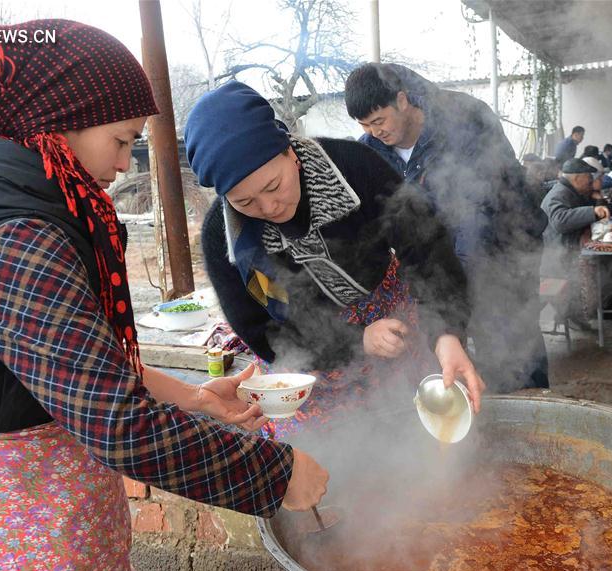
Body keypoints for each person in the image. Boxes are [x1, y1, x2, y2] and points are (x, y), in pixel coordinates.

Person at [0, 21, 328, 571]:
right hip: (8, 500)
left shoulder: (1, 197)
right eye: (121, 140)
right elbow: (119, 425)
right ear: (55, 120)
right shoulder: (16, 240)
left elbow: (71, 362)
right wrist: (275, 473)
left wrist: (192, 397)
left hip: (34, 477)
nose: (122, 164)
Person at [186, 80, 485, 439]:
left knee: (409, 424)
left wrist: (447, 333)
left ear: (291, 154)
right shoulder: (223, 237)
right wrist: (355, 341)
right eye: (245, 202)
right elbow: (261, 332)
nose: (269, 207)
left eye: (272, 186)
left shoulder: (354, 168)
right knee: (323, 449)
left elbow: (426, 247)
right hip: (308, 353)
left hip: (392, 322)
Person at [343, 62, 549, 393]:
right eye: (365, 125)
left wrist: (455, 294)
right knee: (448, 351)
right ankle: (476, 428)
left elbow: (484, 210)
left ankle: (534, 421)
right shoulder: (368, 150)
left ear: (402, 100)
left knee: (511, 348)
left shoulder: (465, 119)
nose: (374, 131)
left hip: (503, 249)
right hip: (438, 262)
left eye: (379, 120)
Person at [539, 159, 610, 324]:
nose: (592, 182)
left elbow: (601, 211)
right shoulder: (559, 193)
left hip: (569, 249)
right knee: (595, 268)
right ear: (577, 178)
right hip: (556, 256)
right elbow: (560, 220)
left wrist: (598, 201)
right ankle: (574, 313)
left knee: (604, 263)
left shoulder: (574, 192)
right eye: (589, 178)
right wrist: (593, 211)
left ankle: (580, 312)